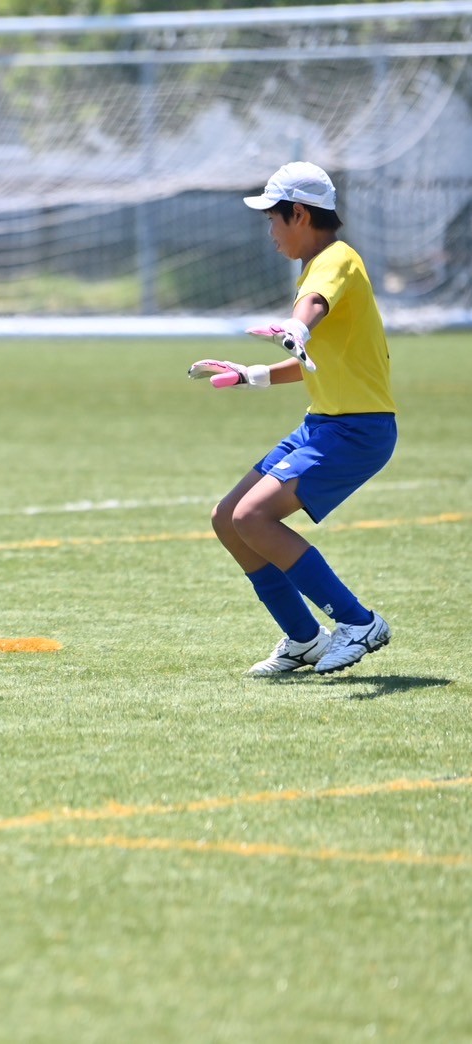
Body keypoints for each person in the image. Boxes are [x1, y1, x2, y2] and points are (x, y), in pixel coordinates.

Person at [190, 161, 395, 676]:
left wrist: (297, 328)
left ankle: (358, 622)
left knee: (252, 518)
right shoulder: (319, 264)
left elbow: (312, 307)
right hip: (323, 424)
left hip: (358, 430)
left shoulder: (336, 261)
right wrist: (251, 375)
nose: (270, 231)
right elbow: (312, 362)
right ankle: (304, 639)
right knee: (228, 518)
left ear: (299, 214)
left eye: (272, 218)